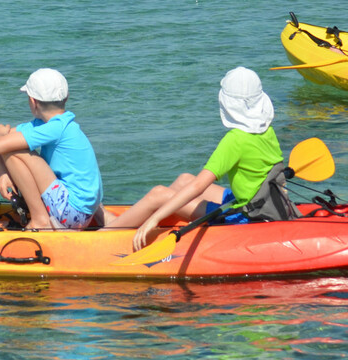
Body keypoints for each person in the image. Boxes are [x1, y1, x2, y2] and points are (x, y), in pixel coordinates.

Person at [107, 67, 286, 250]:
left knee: (158, 194)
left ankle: (101, 236)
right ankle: (137, 225)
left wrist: (156, 217)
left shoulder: (235, 140)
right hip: (261, 201)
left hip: (247, 216)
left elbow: (198, 186)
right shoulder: (266, 129)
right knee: (184, 179)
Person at [0, 68, 104, 230]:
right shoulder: (55, 124)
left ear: (33, 101)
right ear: (66, 97)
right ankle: (40, 214)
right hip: (82, 212)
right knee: (10, 145)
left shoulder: (55, 129)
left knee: (14, 150)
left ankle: (40, 219)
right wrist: (4, 174)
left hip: (73, 215)